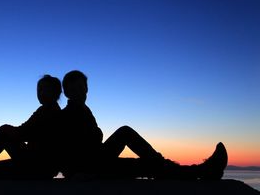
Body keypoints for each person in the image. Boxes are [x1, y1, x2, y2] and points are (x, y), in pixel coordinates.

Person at [59, 70, 228, 180]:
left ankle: (202, 171)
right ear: (66, 92)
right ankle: (202, 170)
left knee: (147, 164)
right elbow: (60, 148)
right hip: (90, 168)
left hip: (97, 162)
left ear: (87, 89)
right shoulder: (67, 115)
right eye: (74, 89)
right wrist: (73, 173)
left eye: (82, 87)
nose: (80, 92)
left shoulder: (83, 111)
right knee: (127, 134)